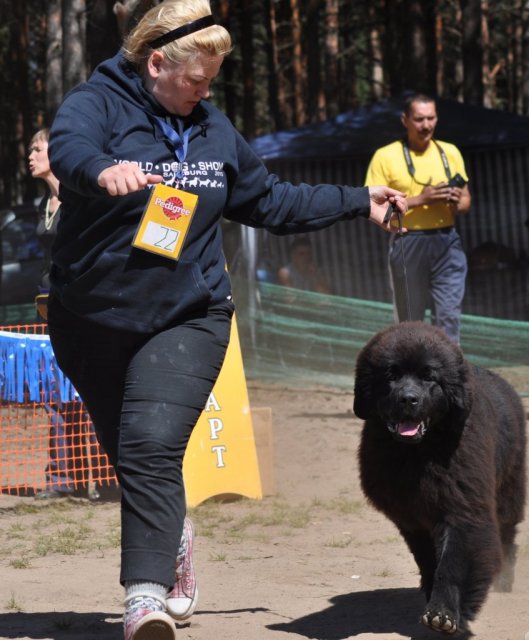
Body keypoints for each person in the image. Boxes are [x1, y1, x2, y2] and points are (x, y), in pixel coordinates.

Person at [46, 2, 406, 638]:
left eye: (213, 80)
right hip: (91, 319)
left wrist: (358, 201)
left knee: (150, 444)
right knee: (135, 459)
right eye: (197, 79)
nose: (206, 91)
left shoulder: (211, 129)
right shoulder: (96, 103)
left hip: (189, 313)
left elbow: (267, 198)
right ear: (156, 63)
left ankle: (144, 599)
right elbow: (70, 149)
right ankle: (171, 532)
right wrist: (101, 169)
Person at [27, 128, 100, 501]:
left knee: (94, 394)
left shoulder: (78, 198)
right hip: (50, 306)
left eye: (38, 148)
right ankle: (62, 479)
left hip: (83, 308)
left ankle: (106, 479)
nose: (31, 154)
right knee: (55, 395)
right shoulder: (46, 203)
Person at [365, 93, 471, 344]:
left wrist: (457, 200)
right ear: (405, 120)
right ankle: (411, 376)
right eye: (419, 119)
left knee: (448, 316)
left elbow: (467, 200)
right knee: (410, 320)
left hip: (447, 241)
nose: (426, 125)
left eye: (431, 118)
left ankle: (449, 377)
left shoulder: (450, 152)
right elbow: (371, 207)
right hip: (408, 241)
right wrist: (421, 199)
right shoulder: (385, 156)